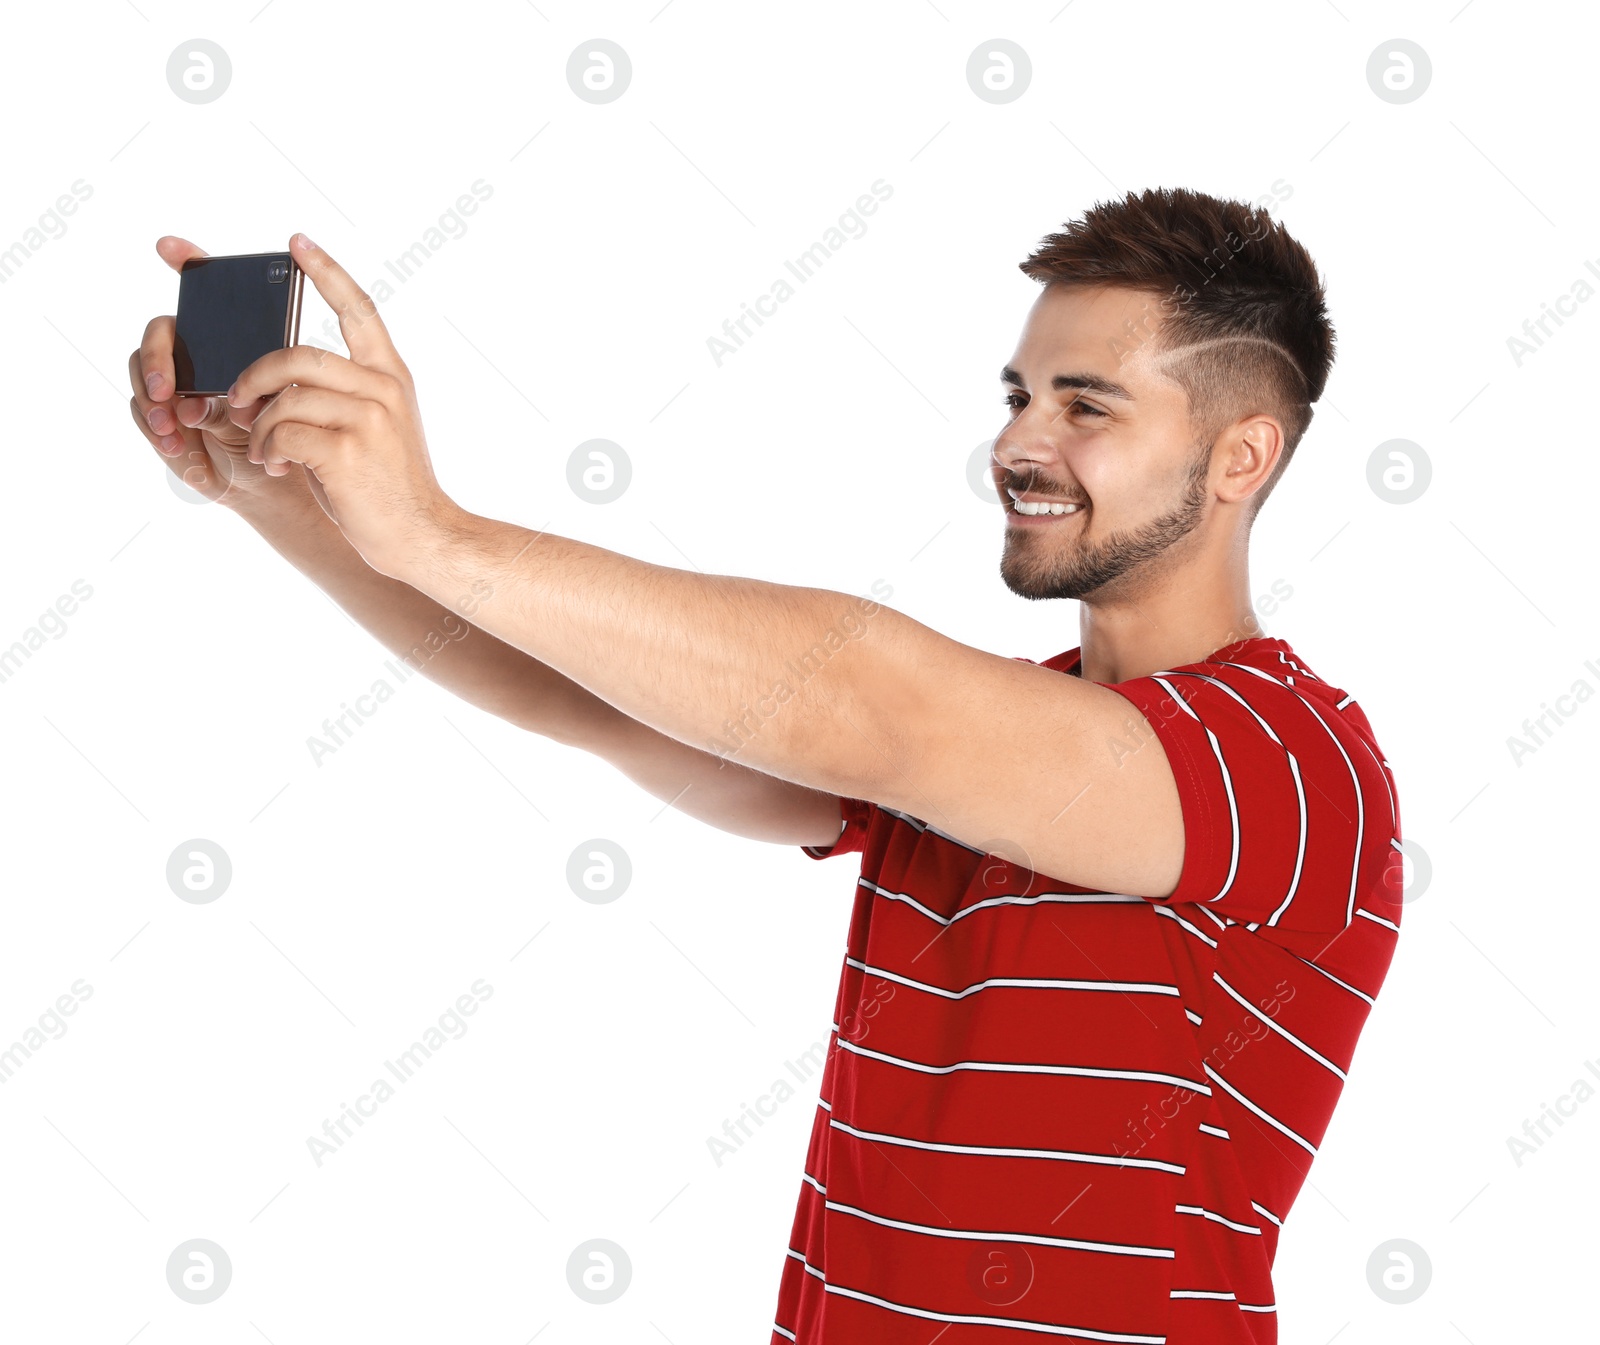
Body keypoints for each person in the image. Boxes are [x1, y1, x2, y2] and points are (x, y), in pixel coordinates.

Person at [127, 186, 1403, 1344]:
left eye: (1088, 404)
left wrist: (438, 527)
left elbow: (870, 695)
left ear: (1241, 456)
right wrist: (292, 509)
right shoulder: (992, 747)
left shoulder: (1286, 760)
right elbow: (605, 703)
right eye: (1020, 395)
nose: (1021, 444)